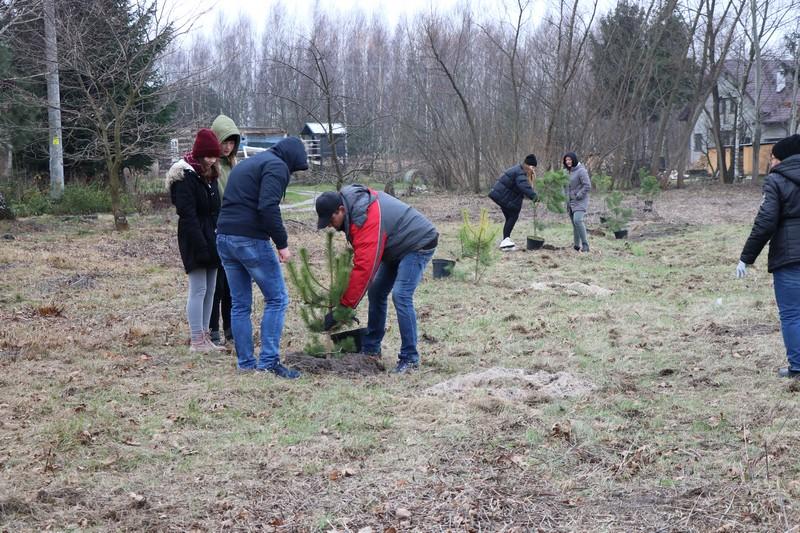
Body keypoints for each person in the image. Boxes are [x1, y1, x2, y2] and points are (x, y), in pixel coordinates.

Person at [315, 185, 439, 374]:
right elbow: (362, 263)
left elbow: (364, 269)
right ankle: (371, 349)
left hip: (418, 242)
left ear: (340, 210)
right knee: (376, 291)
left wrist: (343, 308)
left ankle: (410, 359)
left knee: (401, 295)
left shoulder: (364, 218)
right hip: (396, 246)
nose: (330, 226)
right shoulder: (354, 210)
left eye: (330, 220)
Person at [216, 137, 309, 378]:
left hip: (224, 237)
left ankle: (246, 363)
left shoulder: (250, 163)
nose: (292, 173)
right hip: (250, 239)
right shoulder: (277, 166)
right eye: (294, 168)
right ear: (291, 159)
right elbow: (268, 207)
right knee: (277, 298)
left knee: (240, 304)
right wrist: (282, 244)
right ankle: (268, 362)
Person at [736, 134, 800, 379]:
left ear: (782, 159)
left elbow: (765, 222)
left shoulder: (776, 180)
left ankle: (798, 368)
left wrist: (746, 257)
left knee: (792, 313)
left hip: (790, 257)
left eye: (773, 158)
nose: (771, 162)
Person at [165, 128, 225, 352]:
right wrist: (201, 246)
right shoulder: (185, 177)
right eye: (207, 155)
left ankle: (205, 337)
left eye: (214, 156)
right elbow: (188, 215)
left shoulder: (211, 176)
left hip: (213, 237)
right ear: (199, 154)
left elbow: (215, 210)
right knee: (198, 289)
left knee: (211, 289)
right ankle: (196, 340)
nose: (211, 160)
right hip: (194, 238)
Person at [208, 114, 241, 346]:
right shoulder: (210, 167)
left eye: (231, 142)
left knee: (231, 283)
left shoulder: (234, 166)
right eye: (224, 141)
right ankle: (213, 329)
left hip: (234, 230)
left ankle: (230, 327)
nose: (227, 146)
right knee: (216, 284)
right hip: (215, 229)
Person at [489, 154, 538, 250]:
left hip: (502, 196)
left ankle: (506, 241)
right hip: (503, 196)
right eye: (532, 167)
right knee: (513, 216)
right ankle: (505, 241)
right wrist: (535, 197)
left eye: (534, 168)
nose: (533, 169)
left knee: (509, 218)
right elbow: (523, 186)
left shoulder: (519, 169)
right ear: (527, 165)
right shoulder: (520, 173)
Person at [564, 151, 591, 252]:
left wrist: (578, 195)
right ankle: (576, 246)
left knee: (578, 220)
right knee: (574, 224)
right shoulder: (565, 172)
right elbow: (564, 187)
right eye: (566, 160)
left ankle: (585, 245)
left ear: (574, 160)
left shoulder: (581, 171)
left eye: (570, 159)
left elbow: (587, 185)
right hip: (570, 202)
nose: (568, 161)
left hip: (580, 201)